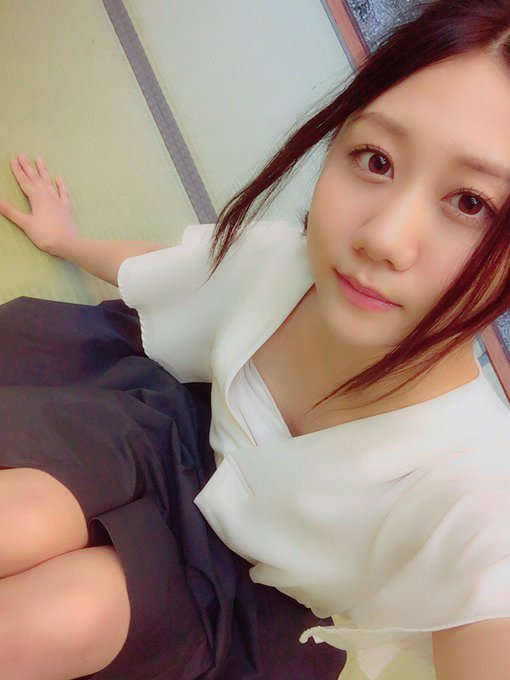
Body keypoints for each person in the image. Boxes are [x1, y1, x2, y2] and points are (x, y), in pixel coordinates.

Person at [0, 0, 509, 678]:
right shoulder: (287, 265)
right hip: (164, 438)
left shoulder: (478, 485)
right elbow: (169, 270)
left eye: (471, 203)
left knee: (64, 617)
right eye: (376, 159)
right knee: (20, 521)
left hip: (246, 607)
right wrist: (67, 240)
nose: (384, 237)